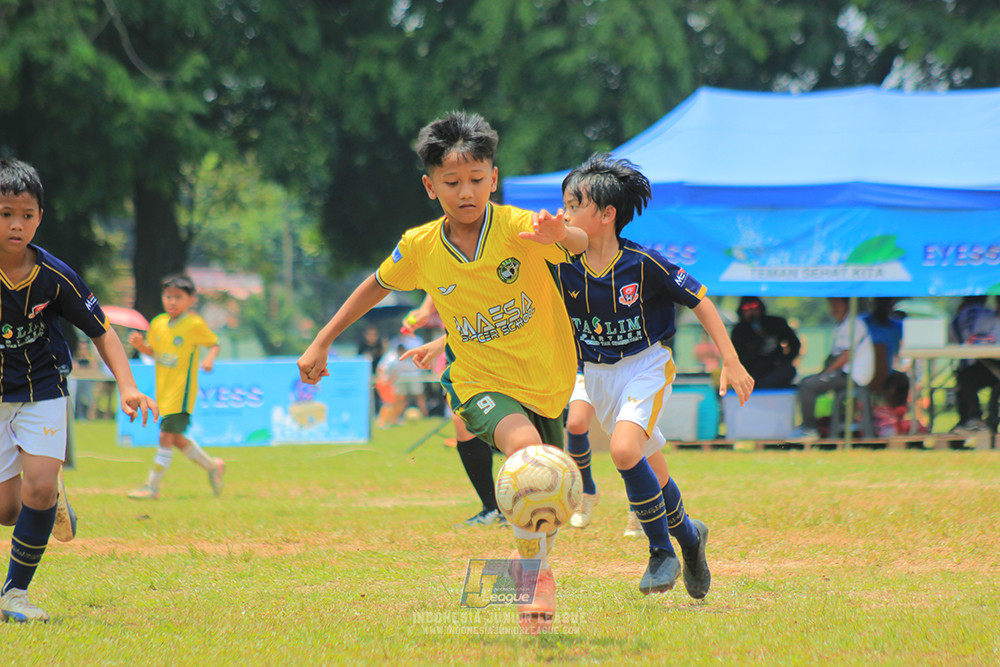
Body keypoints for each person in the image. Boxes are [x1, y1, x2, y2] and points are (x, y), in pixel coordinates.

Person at [298, 111, 588, 634]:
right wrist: (323, 339)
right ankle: (535, 586)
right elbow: (377, 284)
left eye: (477, 180)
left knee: (543, 486)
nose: (466, 192)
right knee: (526, 456)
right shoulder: (420, 246)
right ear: (430, 187)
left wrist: (561, 233)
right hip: (478, 381)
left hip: (548, 380)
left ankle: (527, 571)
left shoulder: (521, 226)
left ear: (493, 179)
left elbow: (581, 245)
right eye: (452, 183)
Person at [554, 153, 754, 598]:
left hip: (646, 365)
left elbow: (700, 298)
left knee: (625, 452)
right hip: (598, 375)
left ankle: (660, 552)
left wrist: (731, 359)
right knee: (654, 470)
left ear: (606, 216)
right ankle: (689, 538)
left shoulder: (644, 263)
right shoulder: (560, 265)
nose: (564, 214)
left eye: (573, 204)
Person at [0, 157, 158, 622]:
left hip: (43, 391)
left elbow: (103, 330)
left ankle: (14, 595)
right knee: (8, 510)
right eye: (5, 213)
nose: (16, 225)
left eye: (27, 216)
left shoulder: (55, 275)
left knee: (39, 488)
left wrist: (127, 387)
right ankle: (47, 492)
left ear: (40, 219)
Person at [401, 295, 504, 526]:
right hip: (465, 344)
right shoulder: (443, 263)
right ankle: (491, 508)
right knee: (462, 421)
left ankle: (531, 502)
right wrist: (426, 309)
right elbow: (437, 270)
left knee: (518, 426)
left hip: (504, 339)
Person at [127, 274, 224, 500]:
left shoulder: (194, 324)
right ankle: (213, 466)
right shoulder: (158, 323)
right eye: (168, 296)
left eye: (178, 297)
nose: (172, 301)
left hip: (181, 393)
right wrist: (142, 346)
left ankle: (152, 486)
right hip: (163, 392)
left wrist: (209, 359)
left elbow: (214, 343)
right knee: (177, 439)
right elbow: (156, 353)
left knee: (165, 437)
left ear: (191, 300)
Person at [789, 297, 875, 441]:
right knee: (807, 381)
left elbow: (846, 356)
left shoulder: (853, 324)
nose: (834, 308)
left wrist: (825, 373)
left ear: (847, 305)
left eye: (837, 304)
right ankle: (810, 427)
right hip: (844, 373)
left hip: (854, 376)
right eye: (831, 304)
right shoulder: (841, 325)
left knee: (808, 385)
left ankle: (809, 429)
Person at [948, 295, 1000, 432]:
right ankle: (973, 418)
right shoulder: (985, 318)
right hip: (989, 363)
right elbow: (976, 339)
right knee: (966, 376)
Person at [730, 296, 800, 389]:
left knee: (789, 371)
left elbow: (794, 343)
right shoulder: (739, 330)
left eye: (755, 307)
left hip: (775, 368)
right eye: (746, 308)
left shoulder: (775, 323)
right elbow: (737, 355)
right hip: (751, 371)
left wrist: (784, 360)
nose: (751, 311)